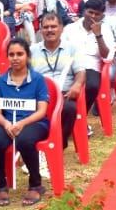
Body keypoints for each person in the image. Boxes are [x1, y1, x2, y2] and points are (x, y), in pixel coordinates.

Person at [0, 37, 52, 207]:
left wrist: (22, 123)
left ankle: (36, 184)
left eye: (20, 54)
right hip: (9, 122)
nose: (15, 58)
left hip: (34, 123)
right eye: (11, 54)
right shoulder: (1, 81)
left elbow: (42, 111)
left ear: (28, 56)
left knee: (24, 141)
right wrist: (7, 124)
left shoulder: (38, 80)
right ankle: (1, 185)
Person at [31, 13, 84, 151]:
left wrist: (77, 85)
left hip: (64, 93)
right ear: (41, 30)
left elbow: (81, 72)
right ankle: (34, 145)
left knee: (69, 109)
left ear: (61, 29)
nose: (50, 30)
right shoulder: (32, 50)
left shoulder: (72, 48)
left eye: (53, 26)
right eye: (46, 27)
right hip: (40, 94)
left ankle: (58, 145)